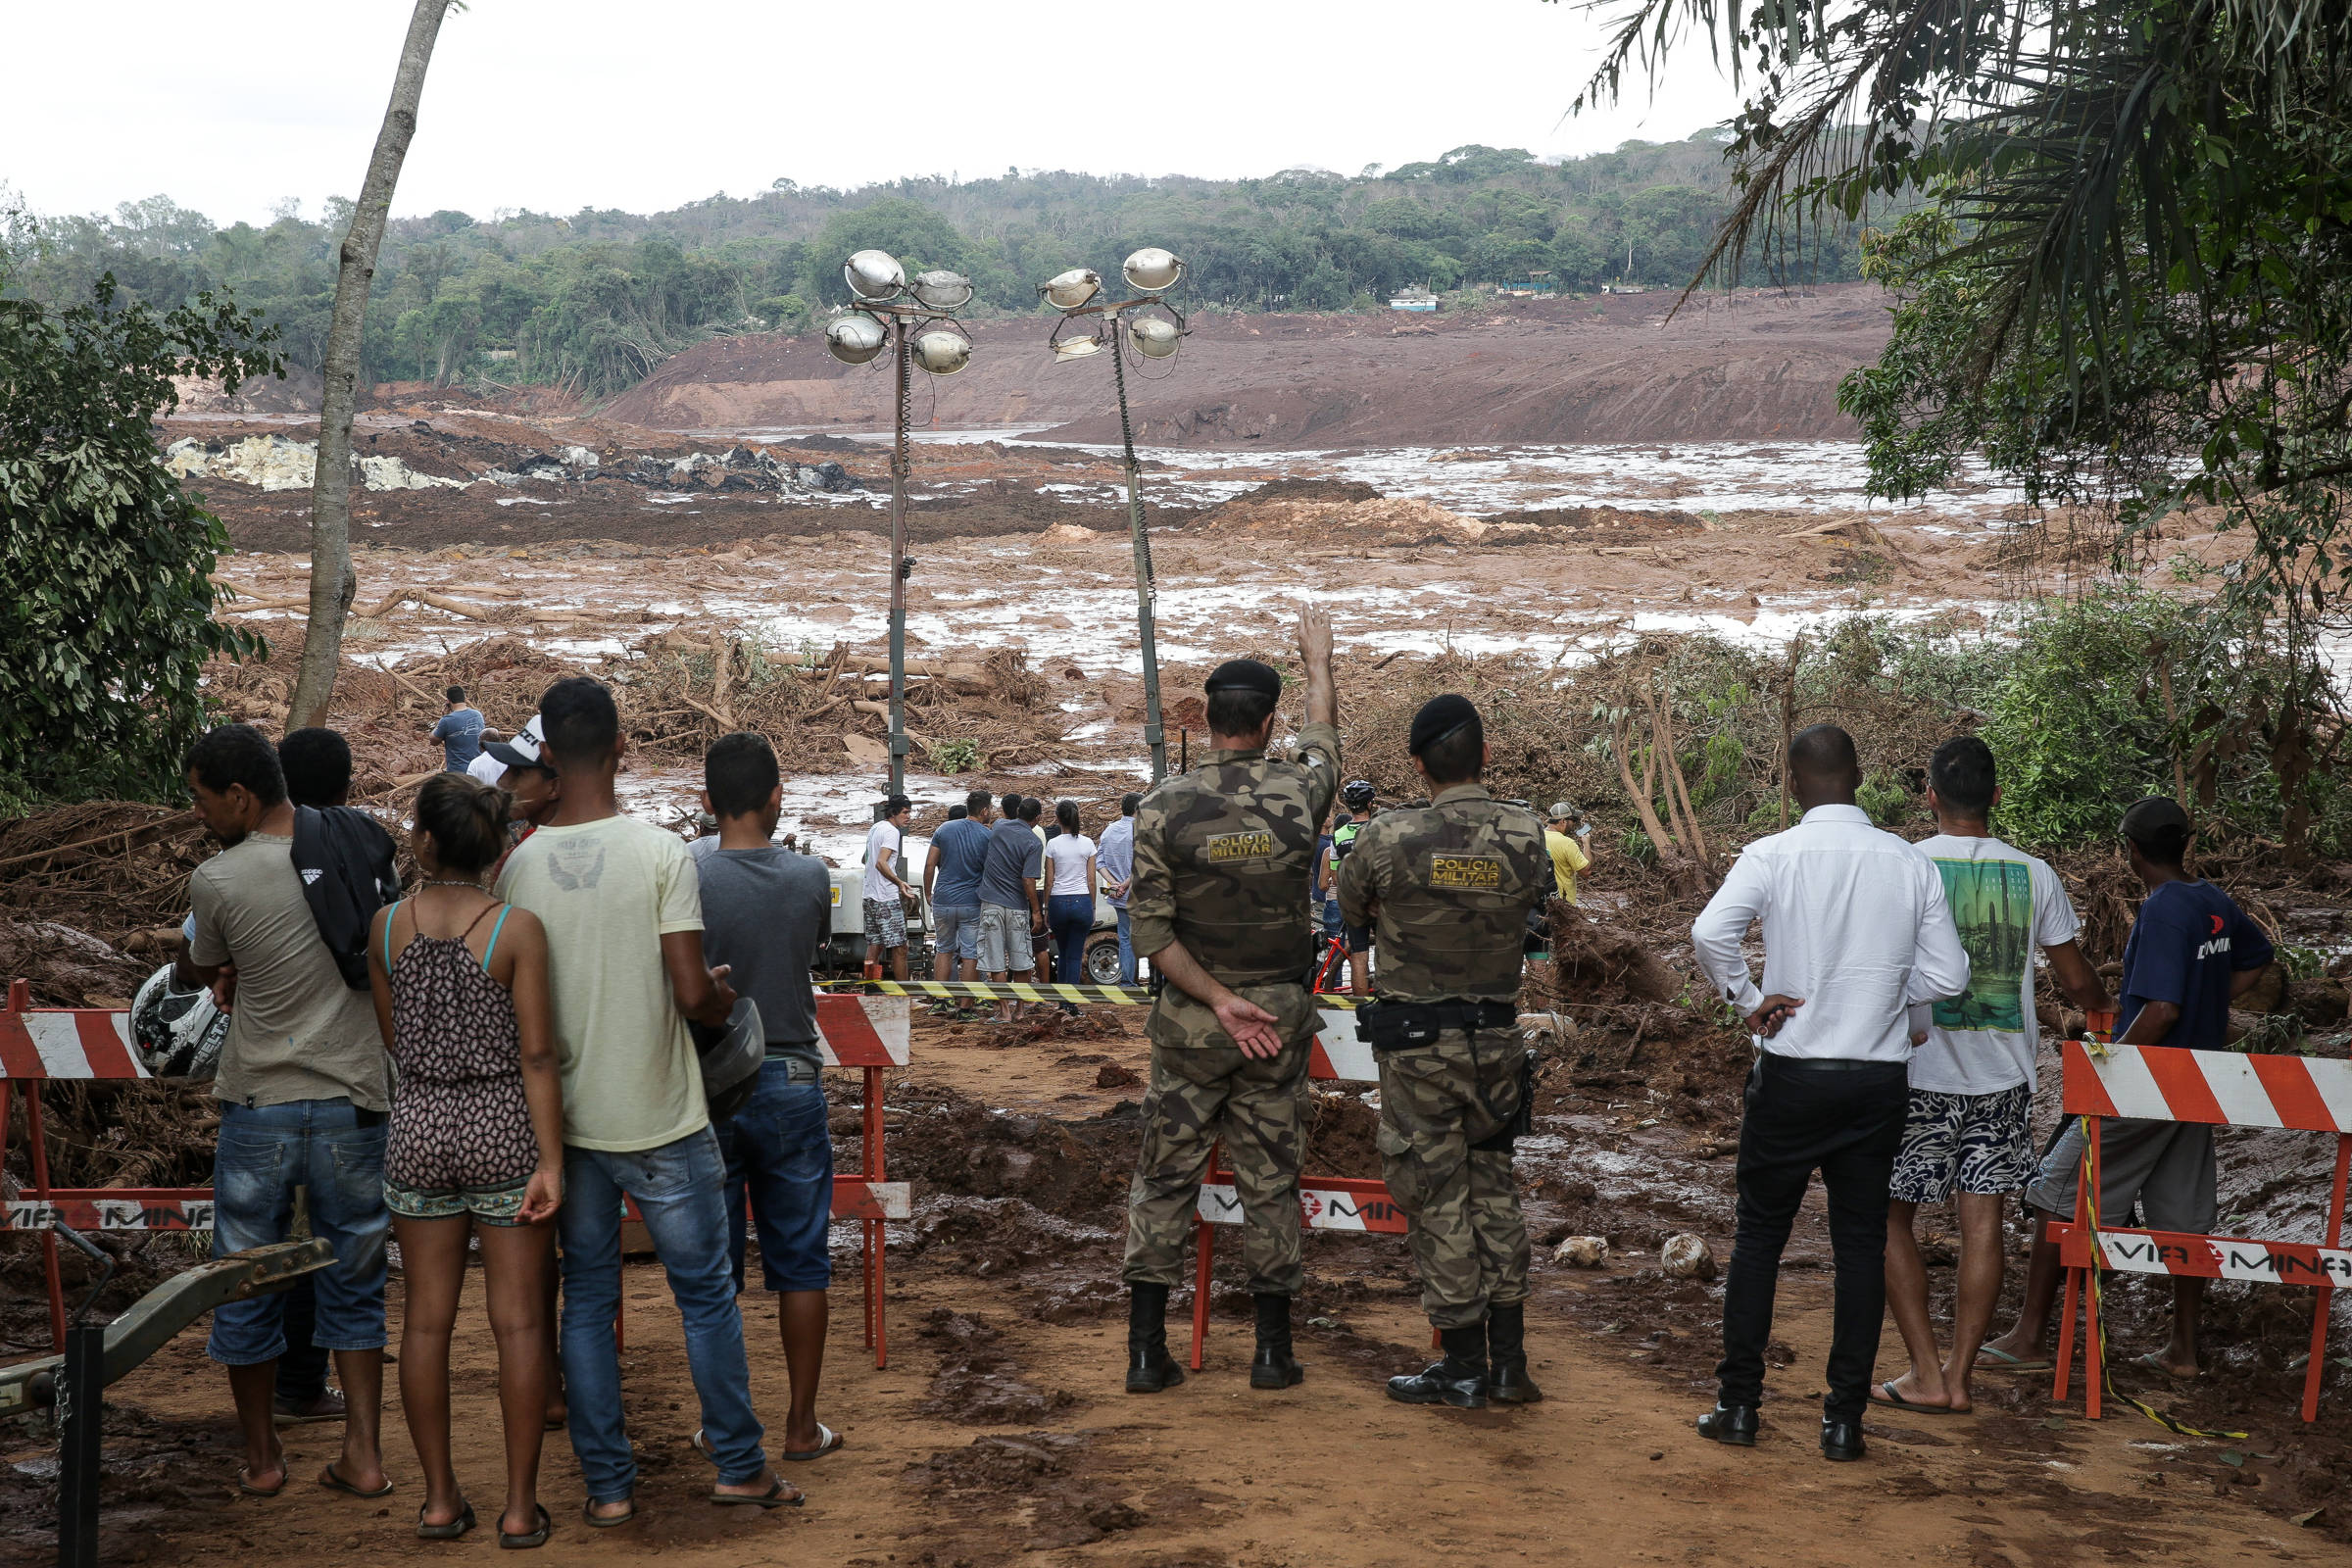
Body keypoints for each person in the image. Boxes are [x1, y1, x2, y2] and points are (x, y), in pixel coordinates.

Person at [493, 676, 793, 1522]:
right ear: (622, 746)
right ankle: (738, 1465)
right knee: (705, 1298)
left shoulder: (518, 868)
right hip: (662, 1114)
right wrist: (722, 999)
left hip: (568, 1128)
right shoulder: (662, 854)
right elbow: (693, 992)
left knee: (586, 1301)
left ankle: (609, 1489)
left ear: (546, 754)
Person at [1688, 723, 1970, 1463]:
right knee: (1858, 1246)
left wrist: (1749, 998)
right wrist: (1888, 997)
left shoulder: (1774, 854)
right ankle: (1843, 1422)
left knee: (1759, 1240)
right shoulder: (1908, 864)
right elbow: (1949, 977)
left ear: (1792, 782)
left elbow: (1711, 931)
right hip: (1875, 1084)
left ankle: (1739, 1406)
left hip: (1793, 1073)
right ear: (1859, 778)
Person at [1979, 796, 2274, 1381]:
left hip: (2152, 1083)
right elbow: (2257, 959)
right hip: (2199, 1083)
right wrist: (2211, 1003)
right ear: (2184, 845)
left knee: (2055, 1191)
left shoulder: (2163, 910)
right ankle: (2183, 1349)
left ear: (2131, 851)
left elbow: (2161, 1009)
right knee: (2184, 1218)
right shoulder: (2212, 900)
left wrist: (2116, 1067)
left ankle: (2031, 1334)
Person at [1123, 605, 1339, 1395]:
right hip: (1275, 1025)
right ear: (1269, 722)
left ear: (1204, 721)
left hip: (1190, 1025)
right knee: (1270, 1183)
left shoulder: (1162, 808)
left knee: (1164, 1180)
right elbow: (1325, 742)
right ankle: (1273, 1354)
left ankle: (1147, 1353)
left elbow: (1150, 934)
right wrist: (1319, 662)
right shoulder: (1300, 796)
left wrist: (1215, 1000)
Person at [180, 724, 393, 1502]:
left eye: (203, 798)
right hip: (352, 1104)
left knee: (245, 1279)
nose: (199, 813)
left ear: (240, 796)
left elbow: (199, 965)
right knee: (355, 1280)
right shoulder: (356, 850)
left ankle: (265, 1458)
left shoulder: (220, 880)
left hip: (261, 1108)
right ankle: (364, 1456)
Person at [1876, 737, 2109, 1415]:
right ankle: (1959, 1374)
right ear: (1997, 798)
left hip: (1915, 1070)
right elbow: (2074, 978)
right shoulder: (2034, 874)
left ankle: (1923, 1369)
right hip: (2002, 1076)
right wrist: (2100, 1006)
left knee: (1890, 1217)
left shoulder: (1904, 864)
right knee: (1984, 1222)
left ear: (1930, 797)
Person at [1336, 695, 1551, 1410]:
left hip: (1420, 1048)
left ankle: (1462, 1365)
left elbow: (1352, 907)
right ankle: (1512, 1364)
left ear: (1418, 764)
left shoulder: (1387, 837)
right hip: (1496, 1043)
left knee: (1437, 1199)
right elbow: (1538, 916)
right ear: (1485, 756)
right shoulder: (1528, 835)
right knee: (1494, 1189)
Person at [366, 774, 564, 1546]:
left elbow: (393, 1039)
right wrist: (550, 1161)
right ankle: (519, 1508)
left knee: (425, 1325)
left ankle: (441, 1500)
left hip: (417, 1126)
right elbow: (539, 1056)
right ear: (497, 849)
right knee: (517, 1325)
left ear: (423, 840)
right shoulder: (517, 930)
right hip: (502, 1126)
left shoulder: (385, 928)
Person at [694, 733, 845, 1465]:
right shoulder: (809, 875)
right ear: (778, 797)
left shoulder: (687, 871)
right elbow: (808, 949)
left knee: (713, 1272)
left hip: (707, 1085)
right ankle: (801, 1424)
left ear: (705, 802)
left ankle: (724, 1425)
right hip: (790, 1076)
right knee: (801, 1264)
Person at [269, 726, 398, 1430]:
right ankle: (316, 1391)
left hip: (268, 1089)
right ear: (349, 787)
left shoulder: (248, 866)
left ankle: (280, 1393)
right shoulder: (372, 852)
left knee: (273, 1248)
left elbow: (203, 960)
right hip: (356, 1082)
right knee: (345, 1249)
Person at [977, 793, 1044, 1021]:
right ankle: (1020, 1010)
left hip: (992, 903)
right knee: (1021, 960)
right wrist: (1036, 911)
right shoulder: (1033, 842)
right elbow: (1028, 880)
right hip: (1017, 905)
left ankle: (1003, 1011)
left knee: (995, 960)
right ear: (1036, 819)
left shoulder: (998, 826)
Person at [924, 791, 996, 995]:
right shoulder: (987, 835)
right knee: (970, 955)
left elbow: (930, 865)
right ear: (984, 811)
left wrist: (929, 894)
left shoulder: (944, 829)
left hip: (943, 899)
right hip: (971, 902)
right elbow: (990, 871)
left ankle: (941, 999)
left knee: (944, 950)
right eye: (990, 809)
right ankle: (966, 1005)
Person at [1042, 800, 1099, 992]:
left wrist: (1046, 907)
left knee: (1063, 953)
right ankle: (1071, 1002)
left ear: (1057, 819)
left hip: (1058, 901)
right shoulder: (1088, 843)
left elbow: (1049, 880)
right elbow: (1091, 881)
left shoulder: (1053, 844)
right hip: (1081, 900)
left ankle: (1061, 999)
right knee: (1074, 955)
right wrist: (1092, 907)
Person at [1329, 781, 1377, 993]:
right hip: (1378, 900)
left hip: (1352, 901)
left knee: (1358, 953)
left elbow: (1336, 877)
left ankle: (1358, 1004)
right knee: (1385, 952)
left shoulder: (1337, 836)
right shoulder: (1379, 829)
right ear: (1369, 803)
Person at [862, 795, 914, 982]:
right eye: (905, 812)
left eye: (909, 812)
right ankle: (904, 995)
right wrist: (899, 882)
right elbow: (880, 863)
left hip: (869, 895)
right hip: (885, 897)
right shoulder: (892, 832)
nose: (908, 817)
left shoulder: (876, 827)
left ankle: (869, 990)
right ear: (894, 813)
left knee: (875, 945)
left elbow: (867, 859)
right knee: (900, 948)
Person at [1098, 793, 1141, 986]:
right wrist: (1124, 884)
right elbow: (1142, 863)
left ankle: (1127, 980)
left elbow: (1100, 863)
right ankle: (1157, 982)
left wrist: (1114, 884)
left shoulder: (1109, 831)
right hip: (1138, 894)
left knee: (1125, 937)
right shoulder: (1141, 831)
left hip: (1116, 893)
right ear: (1138, 810)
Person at [1544, 802, 1592, 906]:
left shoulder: (1537, 836)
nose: (1574, 824)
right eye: (1573, 820)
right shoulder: (1567, 843)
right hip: (1562, 905)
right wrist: (1586, 844)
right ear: (1563, 821)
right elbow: (1586, 872)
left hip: (1542, 901)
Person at [432, 685, 487, 773]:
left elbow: (433, 741)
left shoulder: (447, 720)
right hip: (478, 770)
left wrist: (442, 720)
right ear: (464, 698)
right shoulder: (478, 715)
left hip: (458, 773)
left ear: (448, 701)